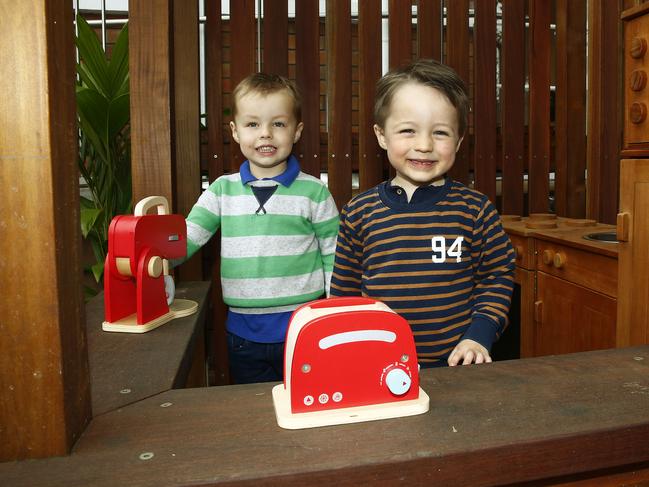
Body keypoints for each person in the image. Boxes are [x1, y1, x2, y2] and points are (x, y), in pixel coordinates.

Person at [330, 59, 515, 367]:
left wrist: (479, 334)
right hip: (378, 362)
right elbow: (343, 297)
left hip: (458, 363)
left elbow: (497, 275)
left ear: (458, 140)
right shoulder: (358, 213)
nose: (424, 145)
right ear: (381, 135)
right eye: (407, 130)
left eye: (440, 133)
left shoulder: (475, 210)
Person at [183, 73, 339, 383]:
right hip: (243, 333)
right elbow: (187, 237)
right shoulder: (221, 191)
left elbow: (334, 251)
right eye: (253, 124)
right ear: (236, 131)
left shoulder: (314, 192)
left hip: (304, 328)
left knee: (306, 405)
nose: (265, 134)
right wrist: (152, 257)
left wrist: (334, 309)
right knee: (252, 410)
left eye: (278, 124)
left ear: (297, 131)